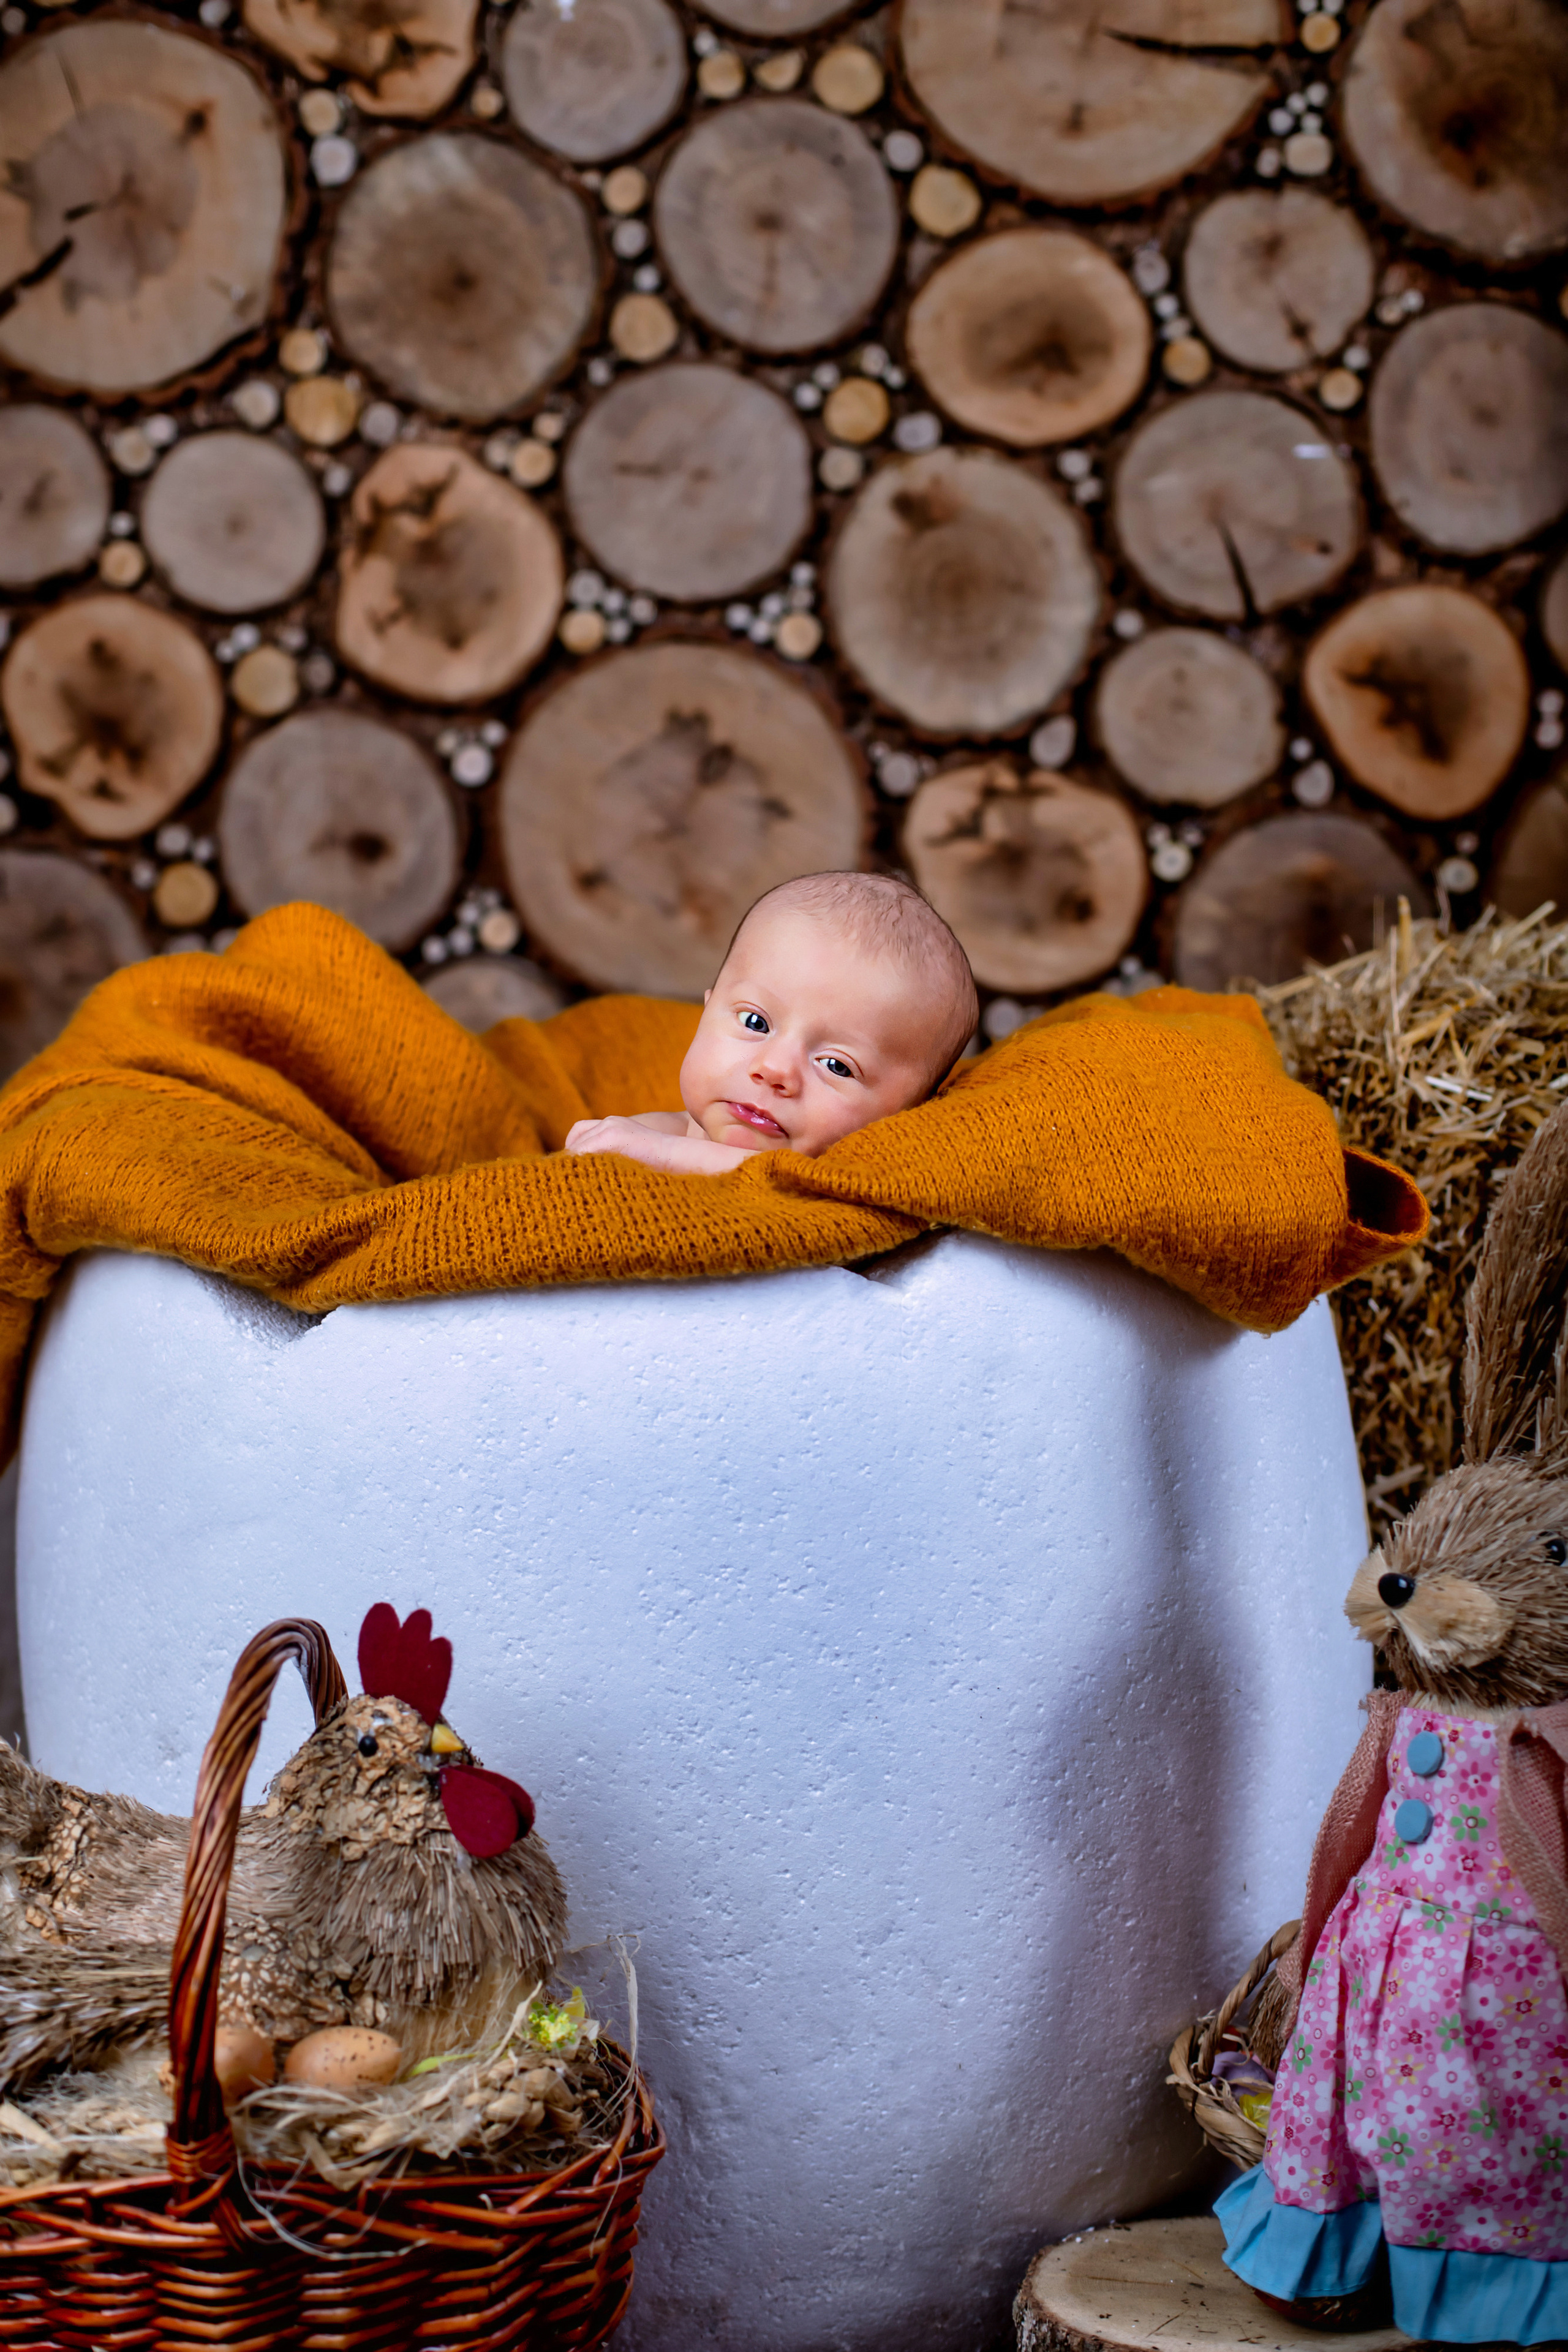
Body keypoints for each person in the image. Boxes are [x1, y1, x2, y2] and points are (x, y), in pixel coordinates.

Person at [563, 871, 978, 1175]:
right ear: (706, 1012)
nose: (776, 1069)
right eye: (755, 1022)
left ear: (909, 1116)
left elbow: (780, 1187)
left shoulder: (844, 1189)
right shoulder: (646, 1133)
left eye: (837, 1065)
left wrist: (663, 1156)